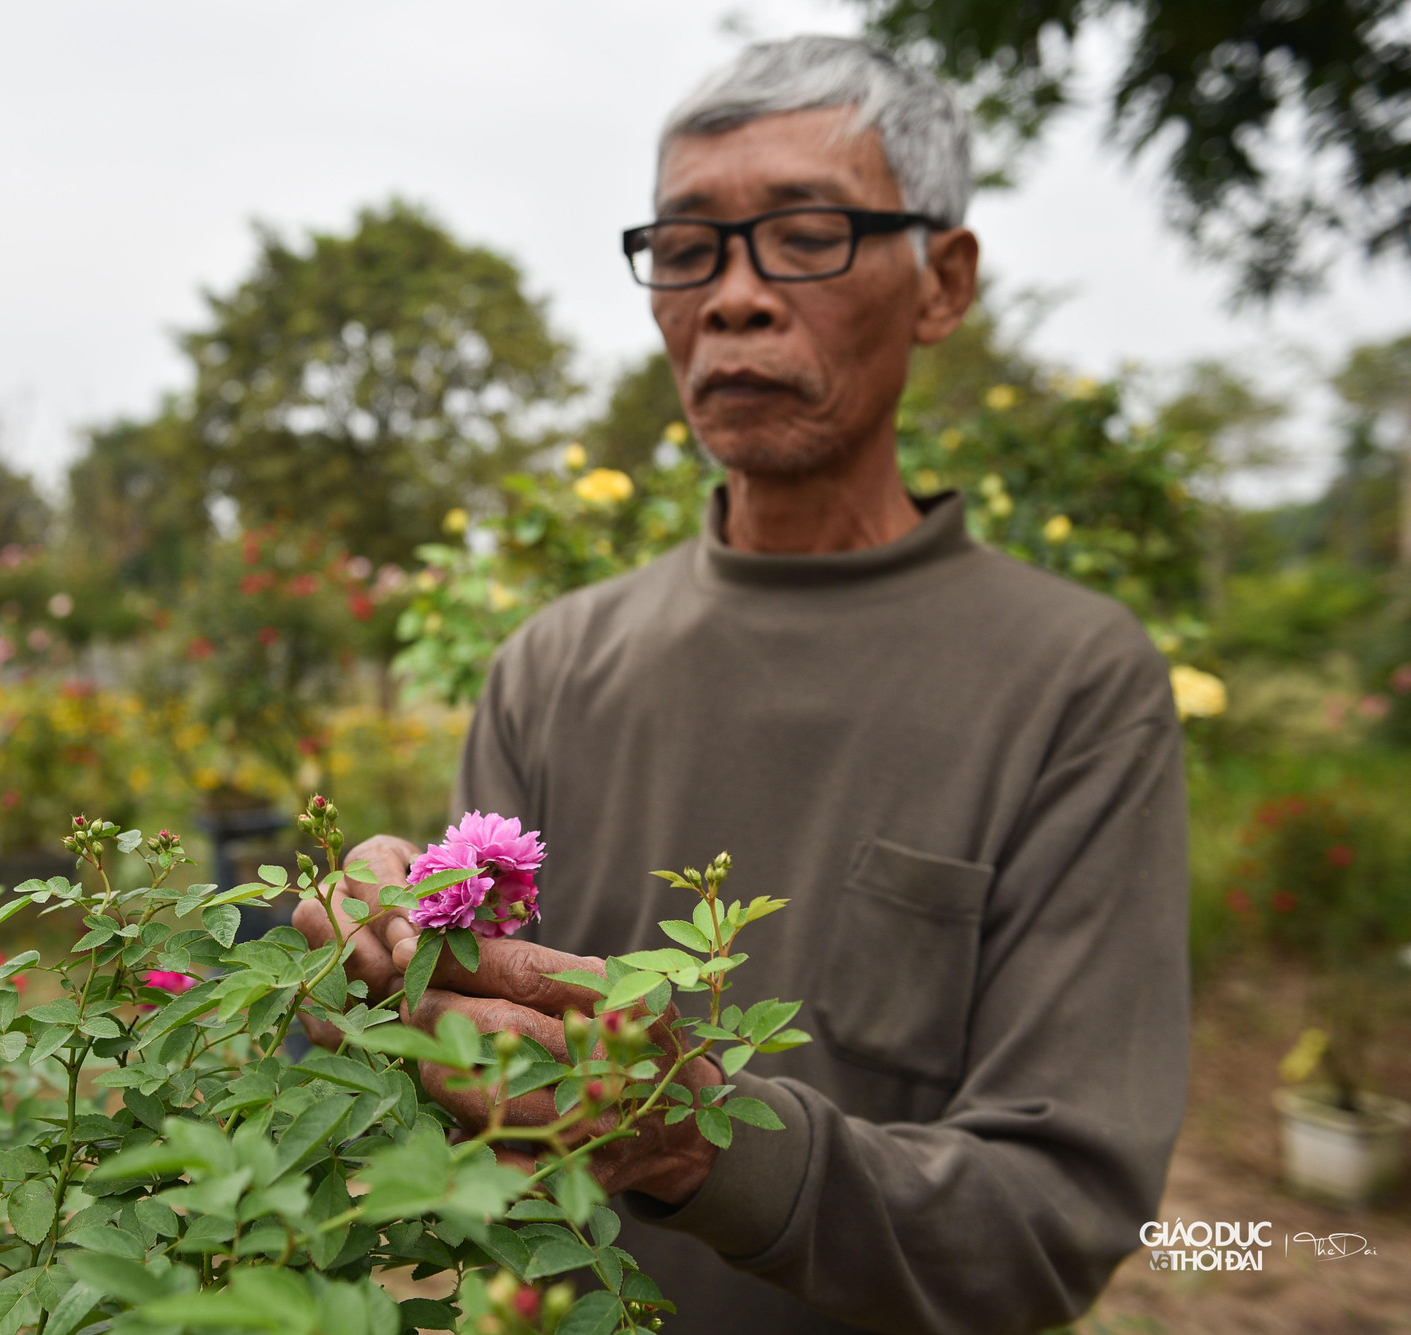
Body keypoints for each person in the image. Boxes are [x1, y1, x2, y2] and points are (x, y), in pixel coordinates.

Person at [294, 35, 1189, 1335]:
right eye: (689, 247)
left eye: (808, 235)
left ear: (942, 283)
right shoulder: (553, 665)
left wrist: (698, 1145)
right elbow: (460, 1085)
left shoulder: (1070, 681)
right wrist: (379, 962)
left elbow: (1053, 1221)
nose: (734, 298)